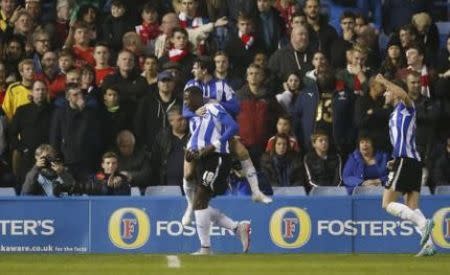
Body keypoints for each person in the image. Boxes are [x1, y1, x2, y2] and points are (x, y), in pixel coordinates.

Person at [183, 85, 250, 255]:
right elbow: (198, 139)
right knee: (201, 204)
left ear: (198, 98)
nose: (185, 102)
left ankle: (206, 248)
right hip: (203, 161)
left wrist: (213, 146)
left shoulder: (213, 107)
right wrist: (192, 153)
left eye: (187, 98)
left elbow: (233, 127)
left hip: (216, 159)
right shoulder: (196, 117)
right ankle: (237, 227)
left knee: (199, 201)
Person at [375, 74, 436, 257]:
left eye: (387, 91)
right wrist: (395, 158)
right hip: (409, 161)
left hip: (407, 161)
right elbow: (402, 141)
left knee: (387, 203)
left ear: (394, 92)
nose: (385, 94)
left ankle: (424, 224)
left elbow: (404, 95)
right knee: (412, 205)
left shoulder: (406, 108)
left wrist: (386, 81)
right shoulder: (394, 115)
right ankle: (429, 245)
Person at [9, 80, 52, 187]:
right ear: (32, 92)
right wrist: (23, 148)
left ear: (46, 92)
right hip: (27, 157)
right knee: (26, 189)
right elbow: (11, 134)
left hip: (48, 157)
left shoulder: (54, 110)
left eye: (43, 90)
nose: (40, 92)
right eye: (37, 90)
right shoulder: (22, 110)